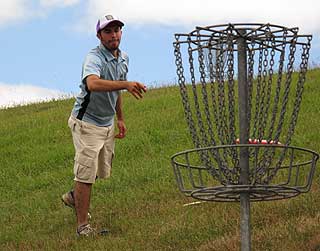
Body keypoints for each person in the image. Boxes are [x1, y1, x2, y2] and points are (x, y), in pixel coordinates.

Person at [61, 14, 147, 237]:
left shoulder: (124, 58)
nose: (114, 35)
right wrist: (126, 84)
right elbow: (93, 83)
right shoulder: (94, 57)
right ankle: (82, 227)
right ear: (99, 35)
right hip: (86, 123)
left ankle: (73, 197)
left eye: (117, 30)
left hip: (106, 123)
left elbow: (116, 90)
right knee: (86, 175)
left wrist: (119, 118)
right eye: (108, 31)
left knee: (101, 170)